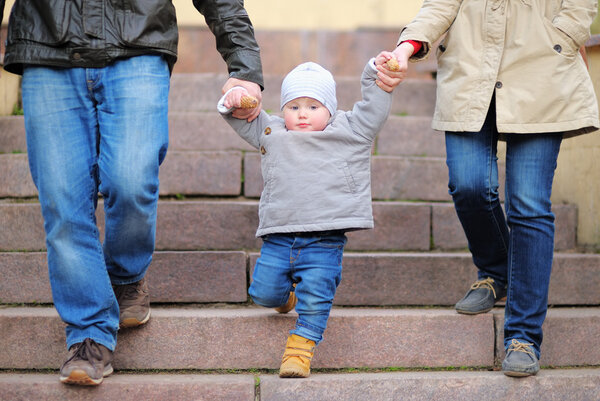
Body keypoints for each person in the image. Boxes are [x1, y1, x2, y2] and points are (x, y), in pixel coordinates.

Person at [0, 0, 263, 386]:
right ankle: (88, 334)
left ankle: (125, 277)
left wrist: (244, 65)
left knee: (132, 180)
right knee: (62, 201)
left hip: (137, 42)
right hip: (46, 46)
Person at [391, 0, 599, 377]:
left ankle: (523, 337)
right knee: (469, 186)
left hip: (542, 73)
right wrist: (408, 47)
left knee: (529, 205)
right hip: (470, 70)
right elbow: (440, 5)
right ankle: (496, 270)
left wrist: (564, 35)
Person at [218, 54, 403, 377]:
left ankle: (300, 350)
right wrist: (234, 99)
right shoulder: (272, 131)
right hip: (278, 237)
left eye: (313, 107)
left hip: (324, 239)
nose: (303, 115)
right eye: (294, 107)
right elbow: (239, 115)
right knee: (262, 293)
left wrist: (374, 72)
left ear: (330, 109)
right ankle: (284, 297)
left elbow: (374, 107)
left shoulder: (350, 129)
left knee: (316, 298)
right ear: (283, 110)